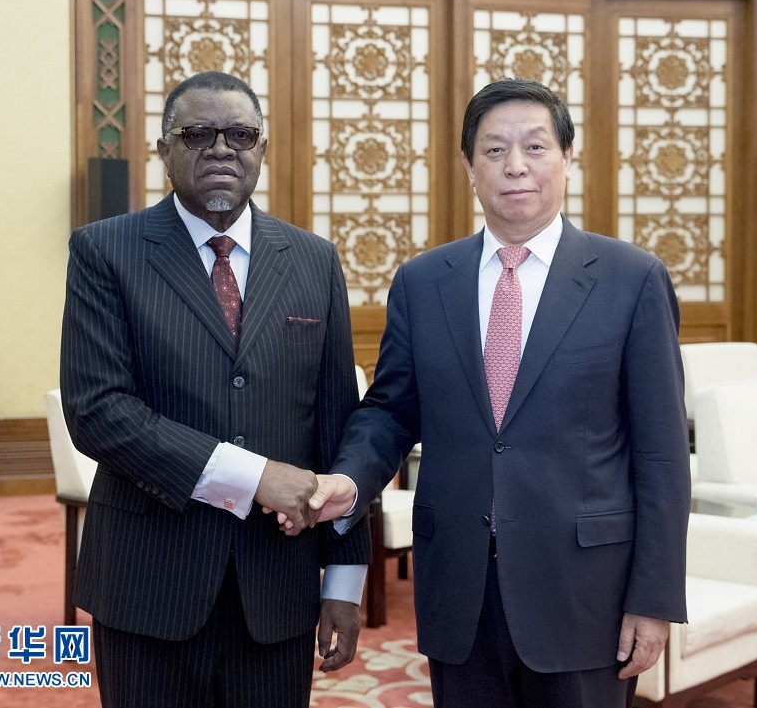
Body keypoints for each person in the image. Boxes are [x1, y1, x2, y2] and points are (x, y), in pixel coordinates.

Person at [312, 79, 691, 707]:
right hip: (459, 586)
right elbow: (391, 411)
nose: (515, 165)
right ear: (469, 166)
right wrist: (350, 481)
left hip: (584, 592)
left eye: (535, 146)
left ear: (567, 157)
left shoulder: (632, 280)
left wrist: (653, 599)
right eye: (493, 150)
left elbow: (661, 454)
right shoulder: (423, 282)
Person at [60, 71, 370, 708]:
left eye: (241, 135)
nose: (222, 149)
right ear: (164, 149)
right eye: (198, 134)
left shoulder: (314, 259)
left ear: (262, 149)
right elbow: (99, 412)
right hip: (148, 584)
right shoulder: (105, 250)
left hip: (277, 589)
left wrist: (343, 580)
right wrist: (255, 477)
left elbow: (339, 426)